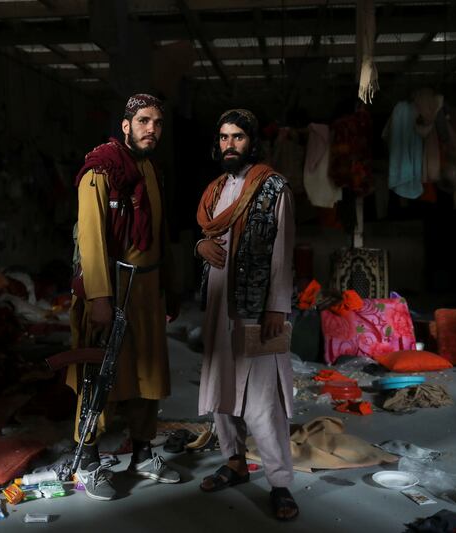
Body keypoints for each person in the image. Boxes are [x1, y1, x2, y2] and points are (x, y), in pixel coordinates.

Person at [68, 94, 180, 501]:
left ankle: (143, 453)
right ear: (126, 125)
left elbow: (160, 234)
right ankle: (90, 461)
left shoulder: (150, 168)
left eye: (158, 123)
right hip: (113, 288)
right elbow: (92, 237)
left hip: (148, 289)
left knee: (148, 371)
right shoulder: (101, 170)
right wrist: (99, 297)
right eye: (144, 121)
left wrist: (170, 286)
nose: (152, 129)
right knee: (100, 374)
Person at [195, 109, 298, 521]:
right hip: (218, 303)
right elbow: (207, 237)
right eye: (223, 137)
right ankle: (234, 463)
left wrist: (278, 305)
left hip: (258, 308)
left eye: (237, 137)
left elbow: (284, 250)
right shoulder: (215, 190)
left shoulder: (274, 188)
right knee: (222, 393)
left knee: (261, 401)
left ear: (251, 142)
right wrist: (198, 249)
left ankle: (280, 483)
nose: (229, 145)